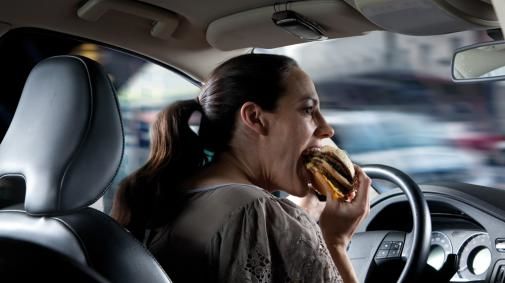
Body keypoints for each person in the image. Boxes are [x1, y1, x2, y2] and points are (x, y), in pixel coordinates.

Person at [111, 54, 371, 283]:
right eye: (308, 110)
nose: (327, 129)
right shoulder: (255, 211)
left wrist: (298, 222)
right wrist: (334, 240)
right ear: (255, 118)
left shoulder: (169, 192)